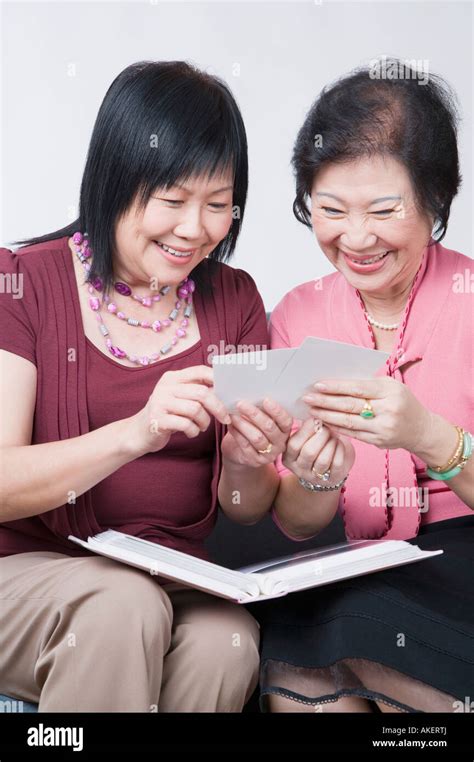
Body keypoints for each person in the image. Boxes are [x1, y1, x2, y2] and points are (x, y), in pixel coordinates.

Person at [0, 60, 294, 712]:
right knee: (122, 603)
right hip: (23, 580)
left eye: (218, 205)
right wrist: (136, 432)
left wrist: (246, 462)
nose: (195, 229)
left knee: (229, 642)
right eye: (172, 200)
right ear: (115, 179)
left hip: (172, 581)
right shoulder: (20, 284)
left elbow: (244, 506)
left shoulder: (236, 299)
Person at [248, 59, 474, 713]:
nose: (356, 237)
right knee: (298, 664)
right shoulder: (296, 315)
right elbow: (295, 518)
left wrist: (432, 437)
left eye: (383, 209)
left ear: (434, 200)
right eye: (330, 209)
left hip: (462, 558)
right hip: (358, 563)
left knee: (359, 637)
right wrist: (315, 480)